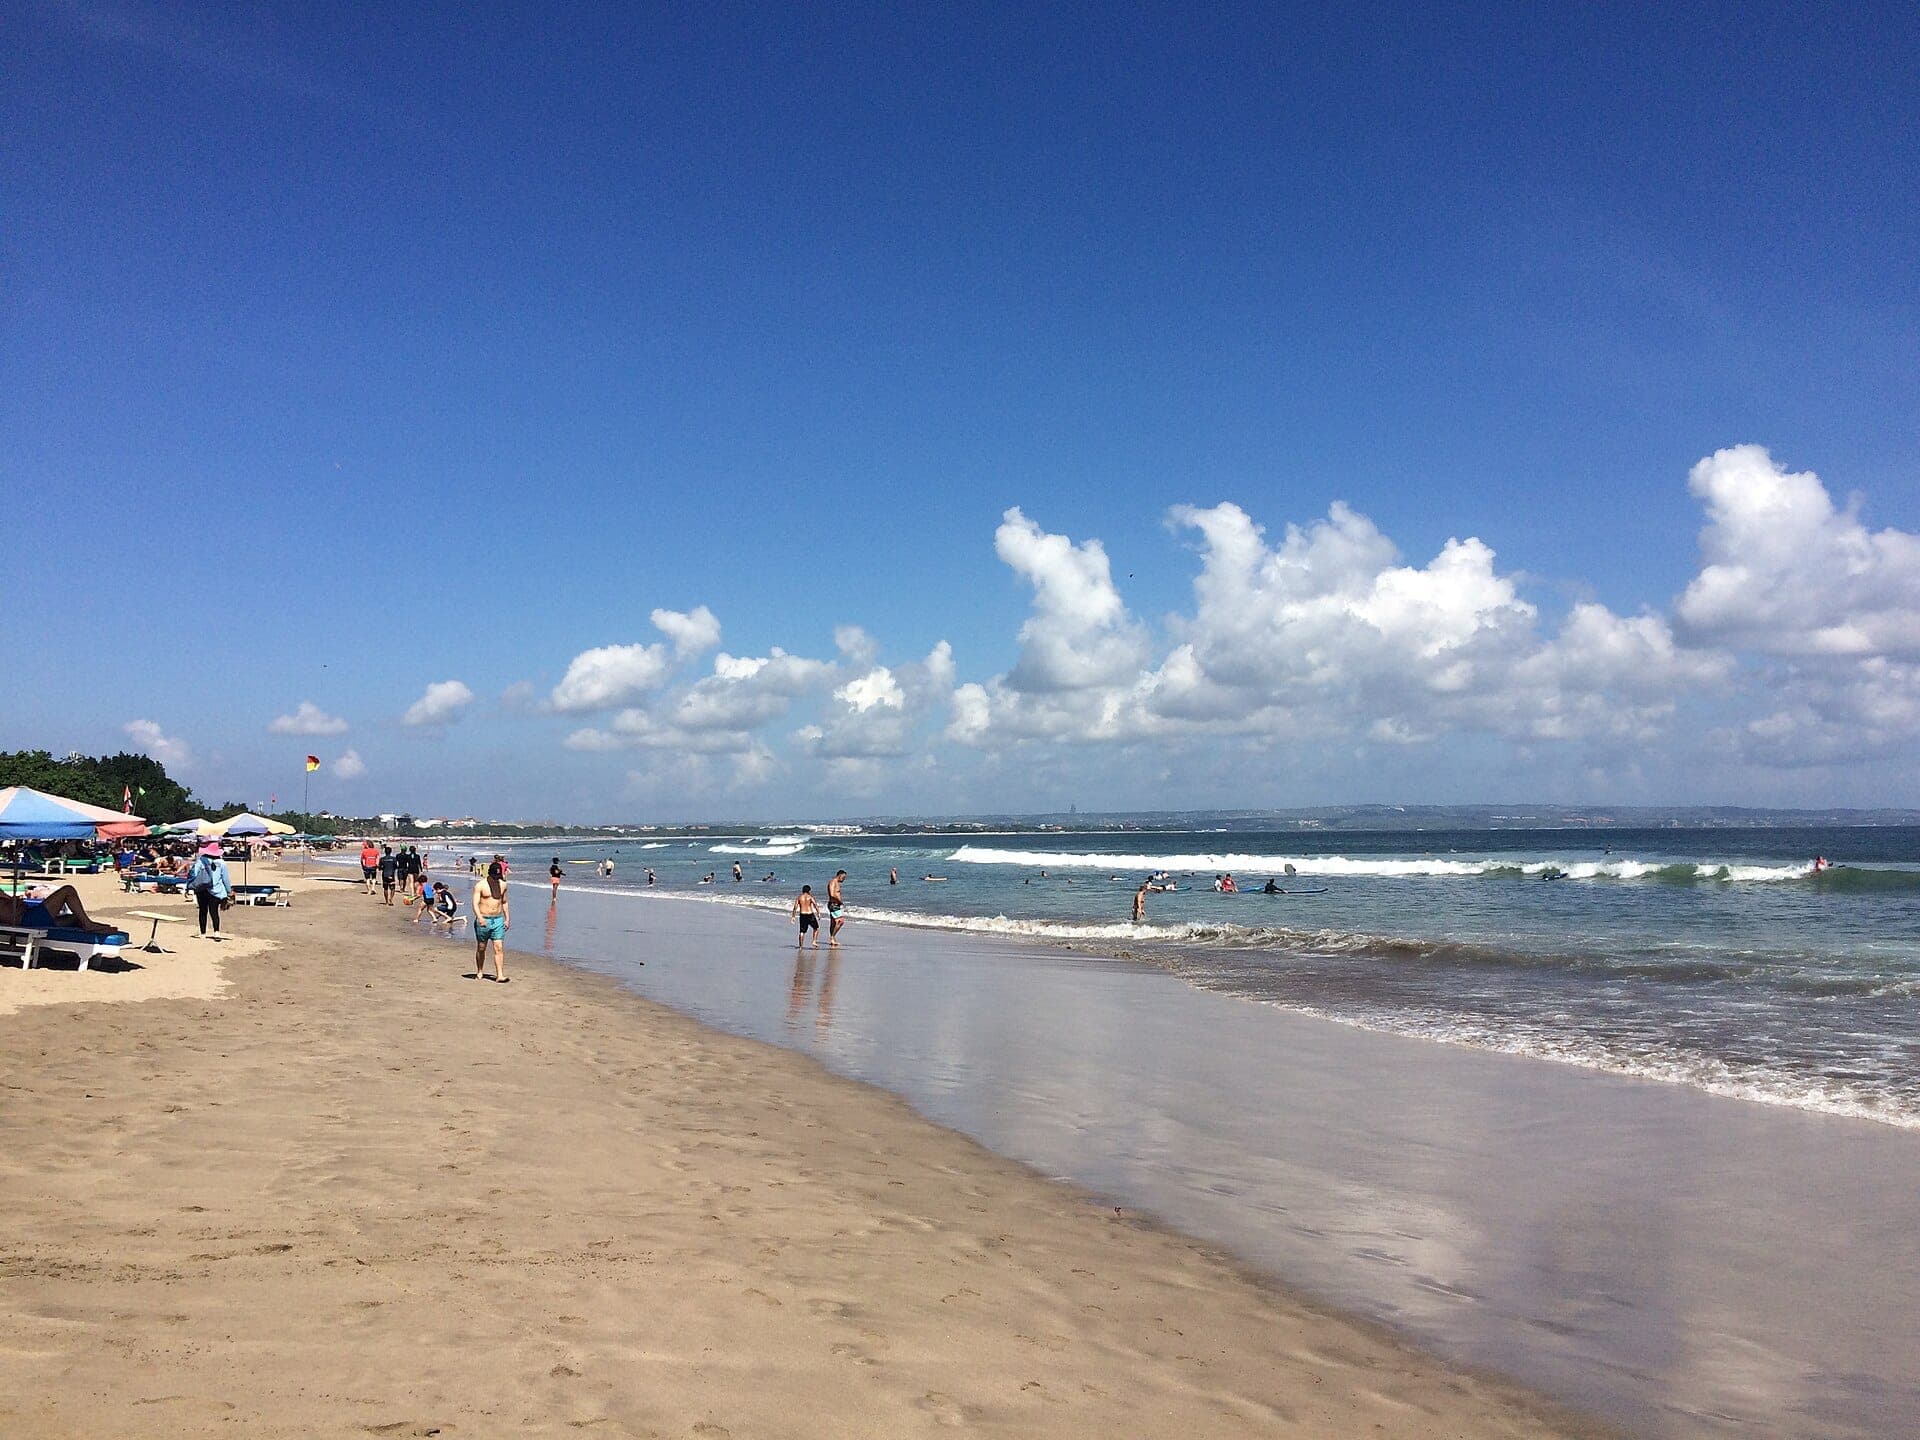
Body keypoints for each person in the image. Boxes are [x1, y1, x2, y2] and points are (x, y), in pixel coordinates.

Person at [471, 861, 510, 981]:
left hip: (498, 919)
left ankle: (500, 975)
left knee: (498, 947)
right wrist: (480, 917)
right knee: (481, 947)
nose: (497, 879)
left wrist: (507, 918)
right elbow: (475, 903)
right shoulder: (480, 885)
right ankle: (480, 971)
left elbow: (504, 902)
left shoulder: (503, 885)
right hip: (484, 919)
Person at [186, 841, 232, 939]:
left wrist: (189, 885)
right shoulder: (222, 863)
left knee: (203, 911)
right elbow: (225, 879)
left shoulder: (201, 860)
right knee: (214, 911)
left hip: (202, 889)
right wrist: (229, 891)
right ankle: (216, 932)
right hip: (216, 890)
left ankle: (203, 933)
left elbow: (193, 873)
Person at [791, 884, 821, 949]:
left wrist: (793, 916)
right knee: (816, 928)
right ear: (809, 891)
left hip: (803, 914)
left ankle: (800, 946)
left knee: (802, 931)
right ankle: (814, 941)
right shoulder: (810, 897)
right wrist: (818, 913)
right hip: (810, 914)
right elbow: (815, 905)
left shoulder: (799, 897)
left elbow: (795, 907)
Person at [827, 869, 848, 945]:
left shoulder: (836, 883)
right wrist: (839, 901)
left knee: (833, 922)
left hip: (836, 904)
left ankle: (832, 939)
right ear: (840, 875)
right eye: (843, 877)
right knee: (841, 921)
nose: (844, 879)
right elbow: (832, 894)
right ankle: (832, 937)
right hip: (833, 904)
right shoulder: (833, 882)